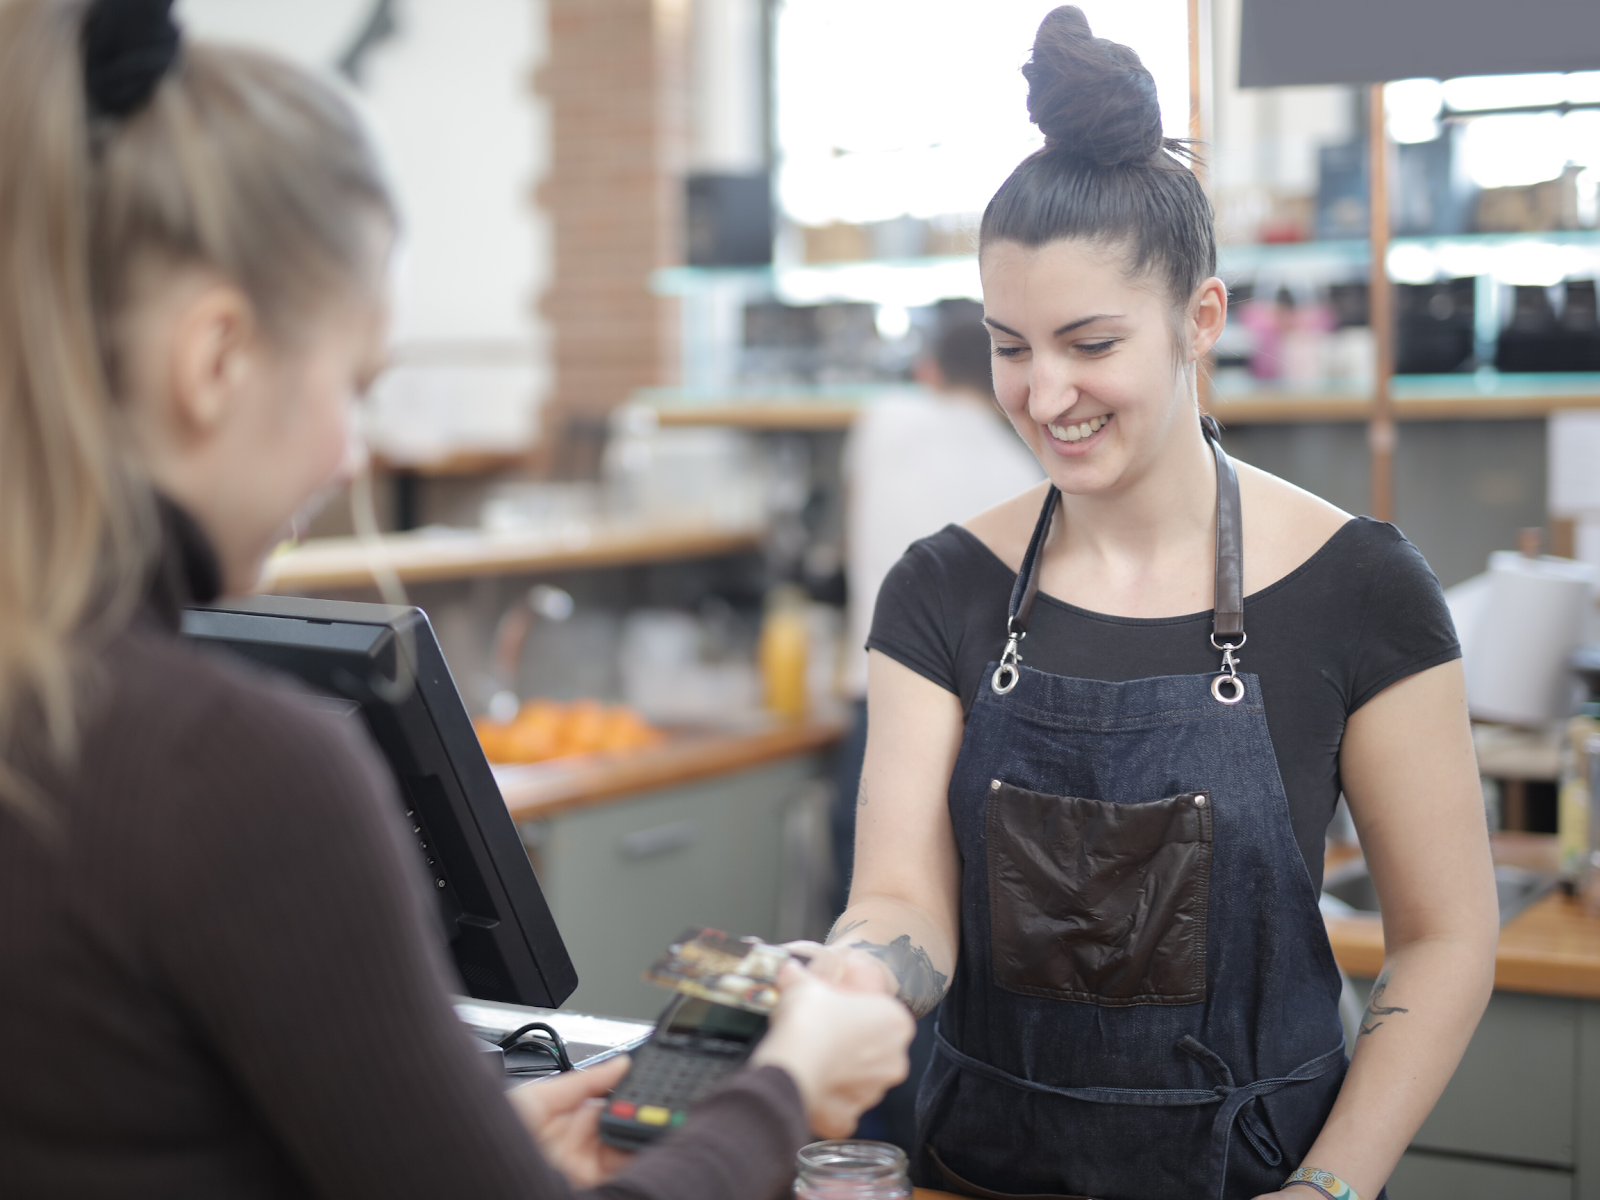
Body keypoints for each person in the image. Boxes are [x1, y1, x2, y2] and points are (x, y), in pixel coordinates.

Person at [0, 2, 911, 1198]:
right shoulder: (237, 774)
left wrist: (465, 1150)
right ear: (215, 358)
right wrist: (779, 1088)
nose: (348, 456)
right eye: (354, 384)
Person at [811, 9, 1499, 1200]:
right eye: (1010, 346)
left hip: (1265, 1173)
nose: (1045, 393)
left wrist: (1329, 1189)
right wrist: (858, 979)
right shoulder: (941, 588)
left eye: (1090, 342)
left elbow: (1444, 939)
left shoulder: (1362, 590)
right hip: (981, 1171)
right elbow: (900, 895)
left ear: (1201, 321)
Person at [830, 305, 1042, 1150]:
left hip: (875, 706)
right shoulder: (1014, 465)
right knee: (960, 944)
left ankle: (874, 1135)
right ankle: (927, 1138)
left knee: (879, 933)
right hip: (996, 727)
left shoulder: (881, 422)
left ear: (926, 369)